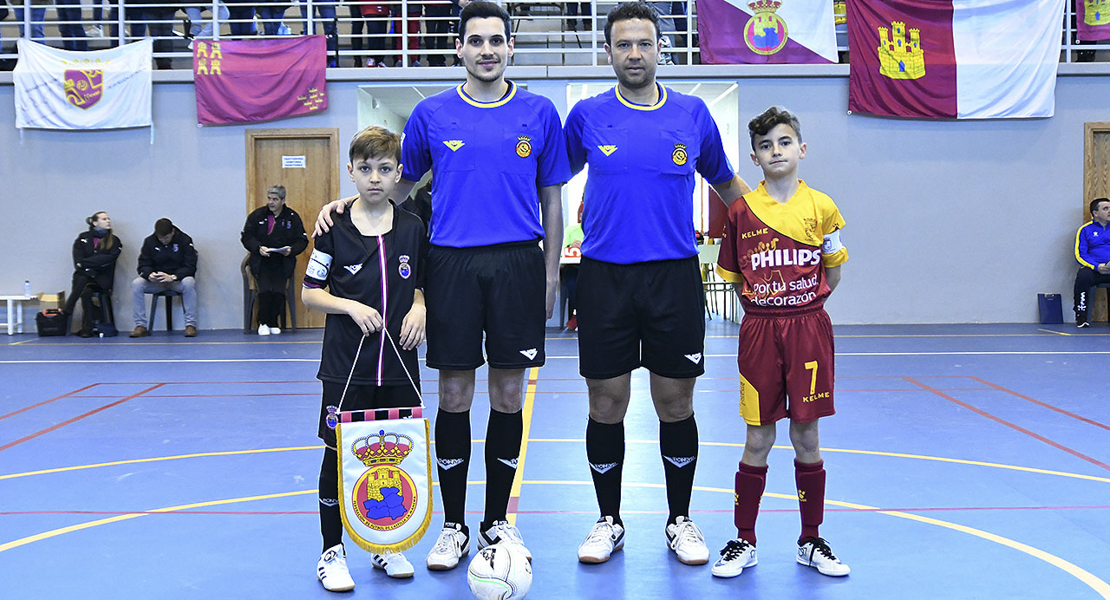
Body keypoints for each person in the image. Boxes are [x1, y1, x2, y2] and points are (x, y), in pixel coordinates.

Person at [315, 1, 568, 572]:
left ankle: (497, 522)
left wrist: (550, 272)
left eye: (496, 40)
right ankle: (453, 527)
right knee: (454, 395)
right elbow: (395, 186)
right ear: (459, 48)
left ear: (510, 48)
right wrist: (344, 207)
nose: (486, 50)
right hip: (450, 265)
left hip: (517, 265)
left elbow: (553, 199)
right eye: (475, 40)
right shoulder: (431, 115)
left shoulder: (539, 111)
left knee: (507, 395)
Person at [564, 1, 751, 567]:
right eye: (623, 44)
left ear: (661, 47)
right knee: (607, 401)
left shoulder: (693, 114)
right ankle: (609, 520)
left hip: (673, 277)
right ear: (609, 52)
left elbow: (730, 189)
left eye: (644, 43)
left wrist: (778, 232)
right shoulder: (587, 117)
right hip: (603, 277)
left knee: (675, 401)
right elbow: (544, 180)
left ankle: (680, 519)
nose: (635, 53)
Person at [712, 106, 850, 579]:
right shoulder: (740, 211)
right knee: (758, 435)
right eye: (766, 146)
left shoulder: (823, 207)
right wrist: (766, 305)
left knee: (806, 435)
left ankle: (811, 538)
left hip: (809, 328)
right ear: (754, 157)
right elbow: (733, 277)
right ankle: (743, 539)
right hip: (760, 331)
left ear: (802, 149)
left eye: (784, 142)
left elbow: (833, 268)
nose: (776, 151)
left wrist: (806, 301)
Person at [303, 125, 427, 592]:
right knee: (337, 455)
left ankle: (384, 541)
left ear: (398, 174)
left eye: (385, 169)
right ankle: (331, 551)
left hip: (398, 366)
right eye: (366, 169)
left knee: (389, 459)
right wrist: (350, 306)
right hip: (345, 368)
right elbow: (310, 293)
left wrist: (419, 306)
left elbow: (422, 282)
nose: (375, 177)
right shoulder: (332, 227)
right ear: (351, 172)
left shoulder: (413, 227)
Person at [241, 184, 308, 335]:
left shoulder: (292, 217)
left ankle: (273, 322)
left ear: (283, 200)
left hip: (282, 261)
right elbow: (247, 237)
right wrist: (258, 248)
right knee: (265, 290)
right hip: (261, 261)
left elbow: (302, 240)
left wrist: (291, 250)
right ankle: (263, 322)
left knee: (278, 291)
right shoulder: (257, 216)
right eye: (269, 199)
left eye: (275, 199)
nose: (271, 202)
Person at [130, 218, 199, 337]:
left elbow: (190, 266)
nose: (163, 241)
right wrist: (149, 274)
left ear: (172, 232)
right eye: (160, 238)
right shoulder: (150, 241)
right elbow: (143, 264)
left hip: (177, 280)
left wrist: (173, 277)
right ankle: (140, 325)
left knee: (189, 282)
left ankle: (190, 325)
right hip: (157, 281)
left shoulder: (184, 240)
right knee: (137, 283)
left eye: (166, 238)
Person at [62, 211, 122, 337]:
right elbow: (77, 259)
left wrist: (86, 263)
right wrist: (87, 266)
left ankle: (69, 306)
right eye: (104, 219)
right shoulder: (83, 238)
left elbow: (107, 259)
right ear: (95, 223)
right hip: (85, 275)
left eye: (108, 219)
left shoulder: (114, 241)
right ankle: (87, 328)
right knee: (86, 289)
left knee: (84, 279)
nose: (108, 221)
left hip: (102, 278)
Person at [1073, 197, 1110, 328]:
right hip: (1095, 270)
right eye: (1106, 209)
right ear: (1096, 213)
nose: (1109, 211)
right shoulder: (1085, 230)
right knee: (1083, 275)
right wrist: (1096, 266)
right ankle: (1081, 316)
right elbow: (1080, 255)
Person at [561, 201, 584, 330]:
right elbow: (562, 250)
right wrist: (571, 247)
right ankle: (577, 314)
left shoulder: (598, 229)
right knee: (572, 282)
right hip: (573, 268)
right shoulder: (571, 229)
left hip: (590, 267)